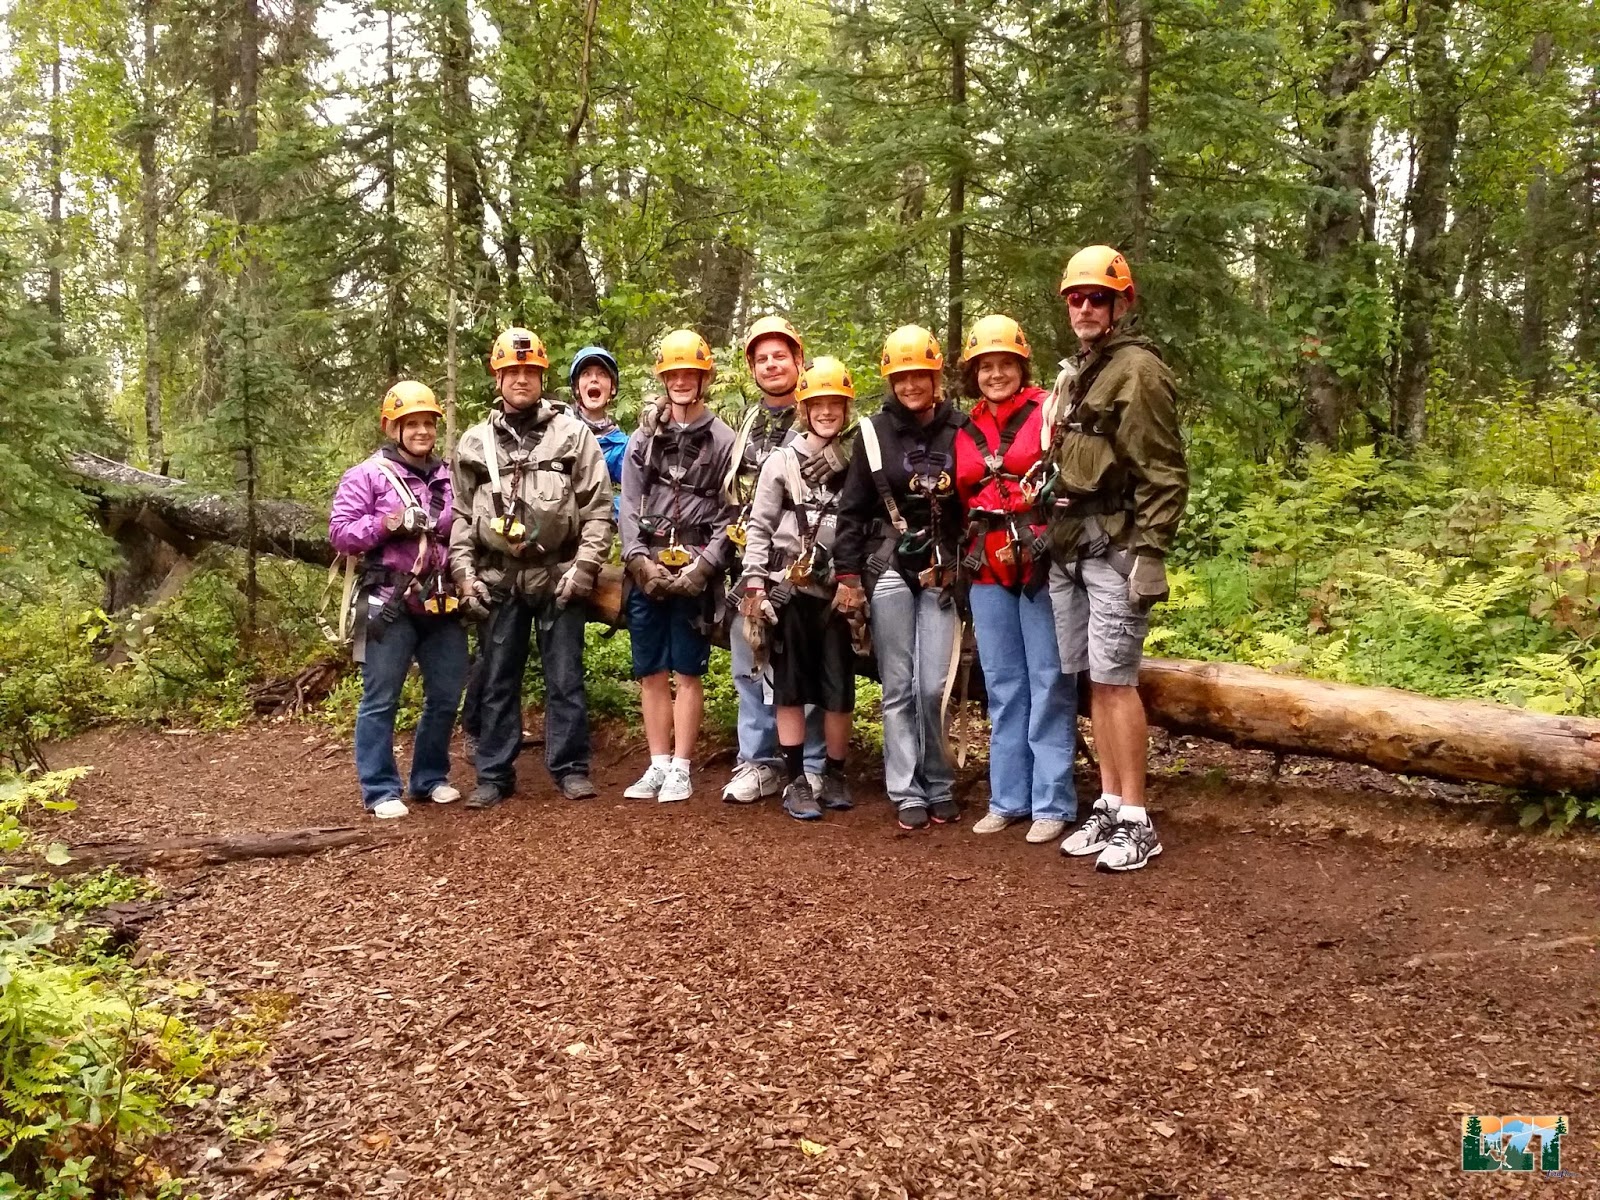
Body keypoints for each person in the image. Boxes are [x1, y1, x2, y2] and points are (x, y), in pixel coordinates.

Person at [1044, 246, 1188, 871]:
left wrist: (1150, 553)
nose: (1083, 306)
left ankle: (1137, 817)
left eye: (1096, 297)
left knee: (1117, 679)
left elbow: (1164, 473)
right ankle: (1107, 802)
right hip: (1071, 544)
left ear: (1122, 302)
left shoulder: (1137, 372)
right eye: (1075, 297)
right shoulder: (1083, 371)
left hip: (1115, 549)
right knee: (1094, 681)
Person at [448, 327, 615, 809]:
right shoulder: (476, 442)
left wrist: (584, 570)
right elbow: (460, 515)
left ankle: (570, 767)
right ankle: (495, 774)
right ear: (497, 376)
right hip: (499, 576)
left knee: (565, 676)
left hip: (558, 572)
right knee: (498, 676)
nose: (521, 379)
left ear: (542, 376)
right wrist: (464, 574)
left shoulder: (573, 433)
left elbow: (598, 508)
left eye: (530, 371)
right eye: (511, 371)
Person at [834, 325, 968, 831]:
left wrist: (964, 565)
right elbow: (852, 511)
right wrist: (848, 576)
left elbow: (971, 504)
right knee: (898, 685)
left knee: (933, 685)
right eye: (901, 376)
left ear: (936, 377)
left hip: (941, 571)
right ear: (891, 380)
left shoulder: (961, 429)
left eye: (920, 375)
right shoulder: (872, 432)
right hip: (888, 567)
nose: (911, 385)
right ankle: (905, 787)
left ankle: (939, 781)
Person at [953, 316, 1079, 845]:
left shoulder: (1049, 411)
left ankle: (1052, 800)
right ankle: (1007, 797)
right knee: (1004, 686)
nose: (996, 373)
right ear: (974, 373)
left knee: (1049, 680)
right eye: (986, 366)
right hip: (988, 565)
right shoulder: (964, 429)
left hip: (1039, 562)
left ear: (1021, 366)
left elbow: (1072, 470)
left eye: (1005, 364)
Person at [329, 381, 468, 819]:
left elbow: (462, 528)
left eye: (428, 423)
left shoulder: (448, 476)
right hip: (387, 599)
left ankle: (429, 777)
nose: (422, 431)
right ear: (394, 427)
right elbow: (341, 533)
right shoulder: (367, 475)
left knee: (446, 692)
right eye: (412, 423)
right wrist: (389, 521)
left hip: (440, 599)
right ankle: (380, 788)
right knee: (381, 696)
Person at [618, 328, 737, 803]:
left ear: (703, 377)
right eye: (674, 373)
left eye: (690, 372)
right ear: (663, 377)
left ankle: (682, 766)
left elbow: (733, 512)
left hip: (696, 567)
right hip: (648, 566)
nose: (682, 380)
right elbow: (627, 503)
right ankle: (657, 763)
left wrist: (705, 568)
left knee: (687, 670)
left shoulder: (724, 439)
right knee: (650, 670)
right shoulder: (644, 439)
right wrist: (638, 560)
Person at [738, 356, 858, 822]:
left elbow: (864, 523)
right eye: (817, 405)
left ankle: (834, 772)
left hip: (834, 593)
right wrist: (753, 584)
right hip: (788, 588)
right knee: (788, 688)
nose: (826, 412)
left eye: (835, 404)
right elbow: (760, 527)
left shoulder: (854, 466)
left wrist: (857, 583)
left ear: (845, 409)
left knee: (837, 687)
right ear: (803, 410)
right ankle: (794, 781)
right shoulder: (780, 463)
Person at [721, 316, 827, 804]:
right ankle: (758, 760)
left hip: (804, 568)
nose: (771, 365)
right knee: (749, 663)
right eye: (761, 358)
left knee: (801, 665)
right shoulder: (746, 424)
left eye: (780, 355)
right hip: (752, 565)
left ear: (798, 360)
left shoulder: (823, 417)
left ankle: (809, 763)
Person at [568, 345, 628, 520]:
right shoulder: (558, 431)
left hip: (598, 534)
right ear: (577, 388)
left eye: (602, 374)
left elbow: (640, 493)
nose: (594, 379)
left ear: (613, 388)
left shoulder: (621, 445)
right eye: (586, 373)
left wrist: (605, 511)